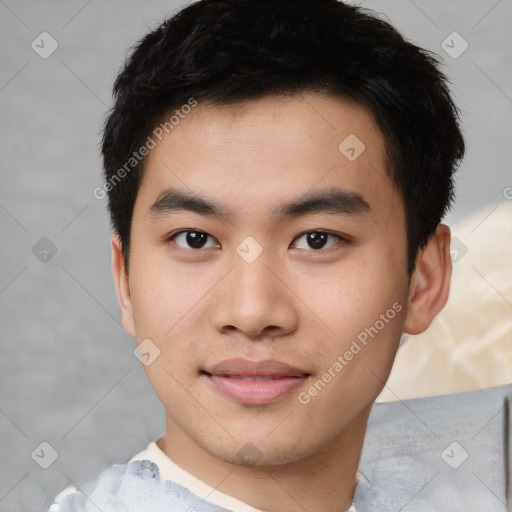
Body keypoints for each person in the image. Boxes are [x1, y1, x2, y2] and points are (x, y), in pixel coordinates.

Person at [49, 0, 511, 510]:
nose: (251, 312)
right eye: (195, 239)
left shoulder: (475, 471)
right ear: (127, 282)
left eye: (317, 239)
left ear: (423, 280)